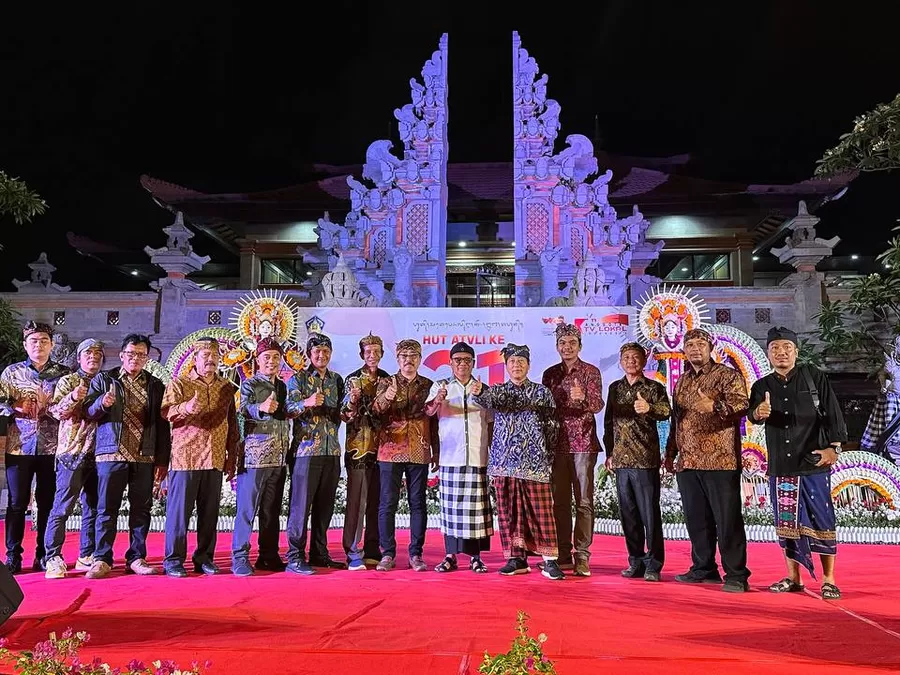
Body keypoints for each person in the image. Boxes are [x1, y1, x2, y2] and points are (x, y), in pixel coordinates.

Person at [748, 326, 848, 600]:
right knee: (786, 523)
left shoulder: (813, 377)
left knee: (822, 520)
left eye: (786, 348)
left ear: (796, 351)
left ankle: (829, 579)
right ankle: (794, 578)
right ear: (768, 353)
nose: (781, 352)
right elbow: (752, 415)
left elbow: (833, 414)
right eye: (775, 348)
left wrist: (834, 449)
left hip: (813, 461)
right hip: (781, 466)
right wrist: (759, 411)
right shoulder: (761, 386)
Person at [665, 328, 751, 593]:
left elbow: (742, 405)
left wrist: (714, 406)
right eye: (690, 344)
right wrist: (670, 454)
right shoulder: (682, 381)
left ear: (710, 348)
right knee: (697, 520)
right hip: (688, 461)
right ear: (684, 350)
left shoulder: (727, 375)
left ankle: (736, 574)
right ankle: (704, 568)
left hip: (720, 461)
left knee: (727, 520)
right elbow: (676, 421)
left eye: (700, 344)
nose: (695, 349)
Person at [473, 344, 563, 581]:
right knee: (509, 513)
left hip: (535, 462)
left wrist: (548, 455)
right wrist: (479, 391)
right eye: (512, 362)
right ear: (506, 366)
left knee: (542, 512)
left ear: (529, 366)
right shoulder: (498, 391)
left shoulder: (541, 392)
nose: (517, 366)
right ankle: (516, 558)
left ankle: (550, 560)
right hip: (505, 462)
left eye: (521, 362)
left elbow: (552, 425)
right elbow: (485, 399)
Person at [83, 334, 170, 579]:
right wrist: (102, 403)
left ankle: (136, 557)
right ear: (122, 355)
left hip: (144, 455)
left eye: (141, 355)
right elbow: (88, 412)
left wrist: (162, 460)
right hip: (111, 454)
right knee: (106, 508)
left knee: (141, 510)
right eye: (131, 354)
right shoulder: (104, 379)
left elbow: (162, 424)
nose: (135, 358)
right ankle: (102, 558)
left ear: (147, 358)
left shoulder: (155, 385)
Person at [160, 337, 239, 577]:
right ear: (195, 359)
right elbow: (166, 412)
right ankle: (173, 560)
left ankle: (204, 558)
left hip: (215, 456)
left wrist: (232, 457)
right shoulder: (180, 384)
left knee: (209, 513)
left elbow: (233, 424)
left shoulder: (226, 387)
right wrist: (186, 408)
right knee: (179, 514)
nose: (210, 360)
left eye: (214, 356)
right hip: (186, 457)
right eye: (205, 355)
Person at [0, 321, 70, 573]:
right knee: (17, 503)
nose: (38, 345)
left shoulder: (64, 374)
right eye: (33, 341)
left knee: (47, 502)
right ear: (25, 345)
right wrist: (14, 406)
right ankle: (13, 556)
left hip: (52, 447)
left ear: (51, 345)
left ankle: (44, 554)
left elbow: (70, 405)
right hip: (19, 446)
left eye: (43, 341)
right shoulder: (12, 372)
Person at [603, 342, 671, 582]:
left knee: (649, 515)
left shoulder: (654, 387)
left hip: (645, 460)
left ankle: (654, 564)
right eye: (627, 357)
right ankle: (635, 561)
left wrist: (649, 407)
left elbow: (666, 411)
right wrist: (609, 453)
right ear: (621, 361)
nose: (631, 361)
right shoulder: (615, 388)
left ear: (643, 360)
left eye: (635, 357)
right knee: (628, 515)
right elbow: (609, 423)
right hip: (621, 461)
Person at [541, 323, 604, 577]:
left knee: (584, 502)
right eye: (562, 343)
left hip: (583, 444)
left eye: (572, 343)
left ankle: (583, 555)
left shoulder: (590, 372)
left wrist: (582, 399)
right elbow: (545, 408)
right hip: (557, 445)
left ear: (580, 345)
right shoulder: (550, 374)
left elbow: (597, 404)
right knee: (559, 503)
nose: (567, 347)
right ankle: (563, 554)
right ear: (557, 346)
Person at [425, 342, 493, 574]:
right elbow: (428, 412)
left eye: (466, 360)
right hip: (450, 456)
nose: (462, 364)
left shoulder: (482, 388)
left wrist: (482, 395)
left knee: (476, 511)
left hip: (477, 456)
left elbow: (491, 421)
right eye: (457, 360)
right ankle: (450, 556)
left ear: (473, 363)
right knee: (451, 509)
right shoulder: (441, 386)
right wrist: (438, 399)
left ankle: (476, 557)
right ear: (450, 363)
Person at [372, 339, 438, 572]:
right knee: (387, 503)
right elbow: (375, 411)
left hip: (419, 449)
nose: (408, 360)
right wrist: (387, 397)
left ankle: (416, 554)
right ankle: (387, 553)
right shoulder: (386, 382)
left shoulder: (428, 385)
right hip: (390, 450)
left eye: (413, 356)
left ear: (419, 359)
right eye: (404, 356)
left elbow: (434, 421)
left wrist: (436, 452)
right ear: (398, 359)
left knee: (417, 503)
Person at [284, 332, 346, 574]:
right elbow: (287, 409)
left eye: (326, 351)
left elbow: (343, 411)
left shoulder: (336, 380)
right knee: (301, 507)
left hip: (332, 451)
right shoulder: (298, 379)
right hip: (306, 451)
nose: (322, 355)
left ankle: (320, 553)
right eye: (317, 351)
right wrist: (306, 403)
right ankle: (295, 556)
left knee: (325, 506)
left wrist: (351, 405)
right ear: (309, 354)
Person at [43, 338, 105, 579]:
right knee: (63, 507)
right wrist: (73, 397)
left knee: (93, 507)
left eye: (98, 354)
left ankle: (86, 554)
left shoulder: (104, 382)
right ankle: (52, 556)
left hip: (99, 454)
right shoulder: (68, 381)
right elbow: (56, 412)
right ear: (79, 358)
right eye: (88, 353)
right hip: (71, 452)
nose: (93, 357)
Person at [231, 337, 292, 576]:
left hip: (279, 456)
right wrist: (261, 408)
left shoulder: (283, 387)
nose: (272, 361)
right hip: (254, 457)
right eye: (267, 357)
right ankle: (239, 557)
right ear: (258, 360)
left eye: (276, 357)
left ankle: (268, 555)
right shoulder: (250, 385)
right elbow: (242, 410)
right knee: (247, 510)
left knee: (271, 510)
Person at [340, 333, 389, 570]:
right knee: (356, 502)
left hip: (384, 450)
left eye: (376, 351)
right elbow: (343, 414)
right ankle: (352, 551)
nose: (372, 355)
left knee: (377, 502)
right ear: (362, 354)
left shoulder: (388, 380)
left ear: (382, 354)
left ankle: (372, 549)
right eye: (368, 352)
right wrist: (352, 401)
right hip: (358, 448)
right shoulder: (352, 380)